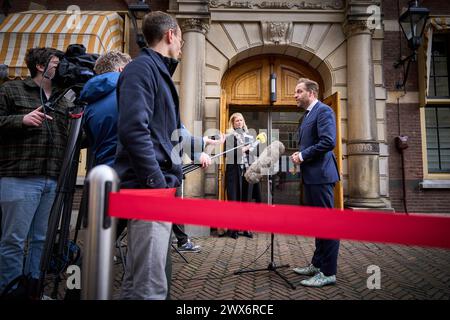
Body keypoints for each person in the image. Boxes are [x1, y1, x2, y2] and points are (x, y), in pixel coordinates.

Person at [114, 11, 211, 300]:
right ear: (170, 35)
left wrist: (202, 143)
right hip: (148, 192)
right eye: (181, 38)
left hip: (155, 189)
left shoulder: (156, 72)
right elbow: (134, 130)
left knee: (137, 282)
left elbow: (165, 134)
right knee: (150, 287)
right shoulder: (142, 69)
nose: (182, 45)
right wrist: (156, 182)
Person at [0, 47, 71, 297]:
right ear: (41, 66)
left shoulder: (65, 98)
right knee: (14, 241)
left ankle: (34, 289)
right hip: (19, 177)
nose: (61, 68)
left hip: (52, 179)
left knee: (42, 240)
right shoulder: (12, 89)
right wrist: (20, 120)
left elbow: (74, 137)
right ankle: (10, 292)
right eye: (56, 63)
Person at [290, 77, 340, 288]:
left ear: (311, 93)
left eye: (299, 91)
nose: (295, 95)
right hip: (312, 177)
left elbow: (328, 141)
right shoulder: (307, 115)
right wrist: (299, 156)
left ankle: (328, 273)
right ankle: (317, 264)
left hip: (321, 176)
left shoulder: (324, 111)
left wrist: (302, 156)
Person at [223, 112, 261, 239]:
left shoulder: (249, 136)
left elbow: (255, 153)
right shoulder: (229, 137)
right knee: (234, 201)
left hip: (247, 172)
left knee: (246, 201)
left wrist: (254, 147)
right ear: (233, 124)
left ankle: (246, 228)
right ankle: (233, 230)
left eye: (241, 120)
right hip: (234, 173)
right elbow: (228, 155)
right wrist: (243, 149)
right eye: (237, 121)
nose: (239, 122)